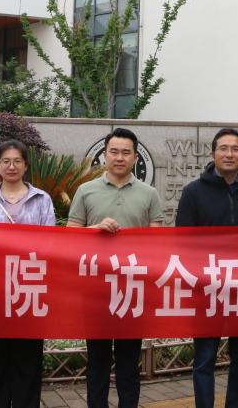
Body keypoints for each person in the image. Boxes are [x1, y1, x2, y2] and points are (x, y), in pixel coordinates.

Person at [68, 128, 163, 408]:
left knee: (129, 362)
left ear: (135, 158)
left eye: (125, 153)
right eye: (114, 152)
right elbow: (70, 236)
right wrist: (95, 229)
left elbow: (157, 241)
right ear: (104, 155)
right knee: (97, 360)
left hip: (133, 288)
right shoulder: (86, 190)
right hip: (95, 288)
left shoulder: (149, 193)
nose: (119, 157)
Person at [176, 127, 238, 408]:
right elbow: (183, 242)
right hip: (207, 288)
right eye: (224, 148)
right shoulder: (193, 192)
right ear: (213, 153)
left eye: (235, 149)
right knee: (205, 358)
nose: (229, 154)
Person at [0, 140, 56, 408]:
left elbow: (51, 244)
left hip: (29, 290)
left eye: (17, 161)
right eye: (5, 161)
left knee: (28, 362)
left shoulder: (42, 200)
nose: (11, 166)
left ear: (26, 165)